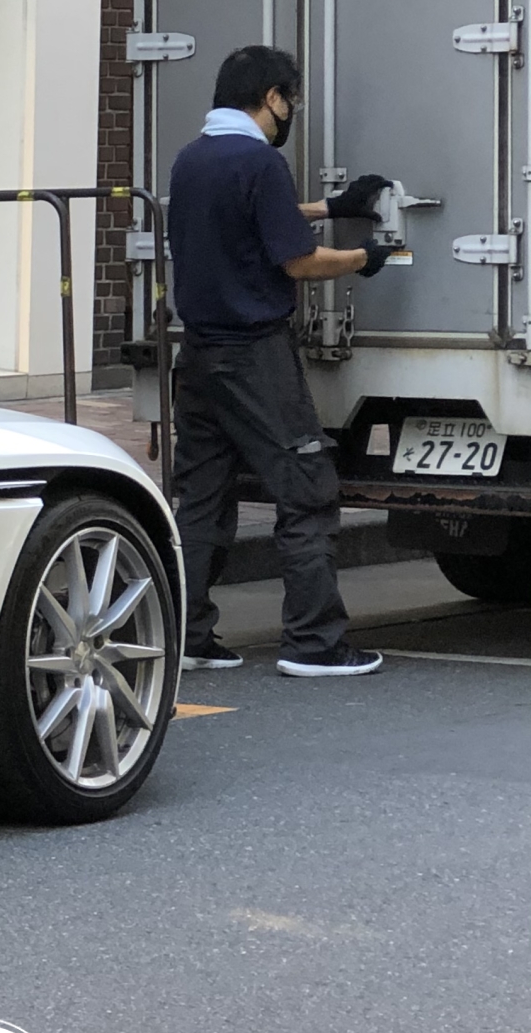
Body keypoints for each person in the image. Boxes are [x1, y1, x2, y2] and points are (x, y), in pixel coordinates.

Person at [167, 45, 395, 677]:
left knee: (203, 500)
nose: (290, 110)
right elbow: (296, 261)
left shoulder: (192, 160)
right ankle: (317, 644)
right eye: (289, 98)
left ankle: (187, 636)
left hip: (200, 356)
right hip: (255, 355)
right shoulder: (260, 162)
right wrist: (362, 258)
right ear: (270, 97)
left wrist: (331, 208)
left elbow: (251, 220)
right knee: (306, 488)